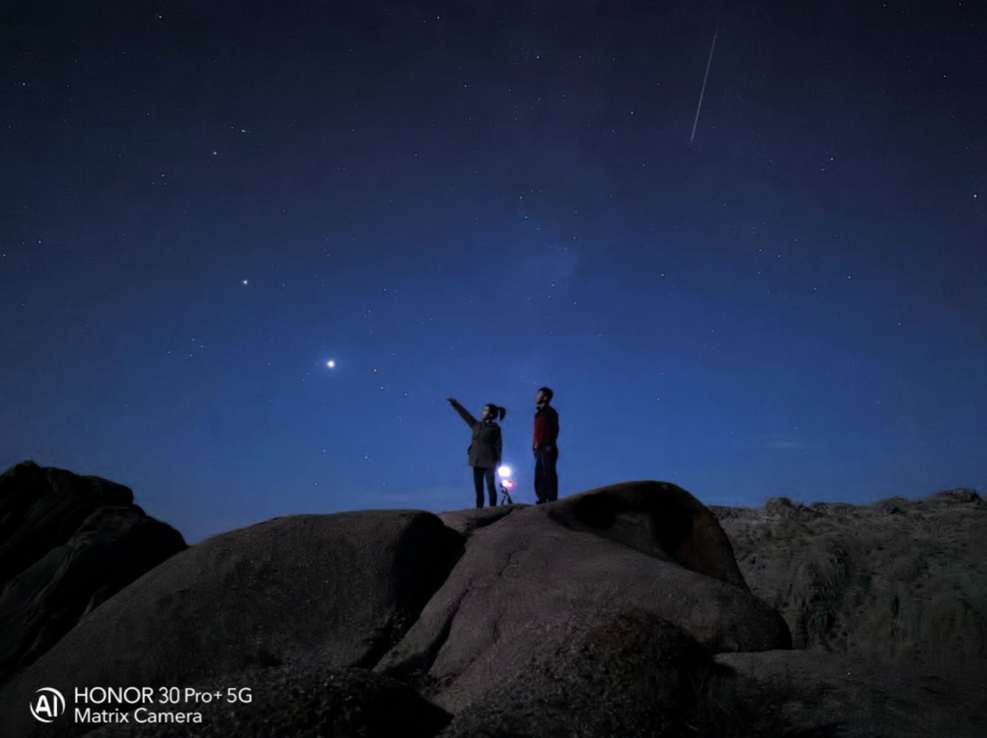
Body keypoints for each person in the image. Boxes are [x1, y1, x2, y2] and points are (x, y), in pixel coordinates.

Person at [446, 397, 505, 508]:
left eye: (486, 410)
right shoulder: (476, 425)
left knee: (490, 486)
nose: (483, 412)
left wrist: (498, 463)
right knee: (478, 488)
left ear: (492, 414)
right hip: (476, 461)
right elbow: (465, 414)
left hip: (489, 462)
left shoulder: (495, 429)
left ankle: (493, 509)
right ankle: (479, 509)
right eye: (483, 410)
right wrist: (454, 403)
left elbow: (498, 446)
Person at [532, 387, 560, 504]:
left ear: (545, 397)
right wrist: (533, 447)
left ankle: (551, 497)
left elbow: (555, 428)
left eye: (539, 394)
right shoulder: (537, 414)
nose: (536, 396)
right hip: (538, 448)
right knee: (539, 474)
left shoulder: (551, 412)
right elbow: (536, 432)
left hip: (547, 447)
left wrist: (549, 443)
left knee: (549, 472)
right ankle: (541, 497)